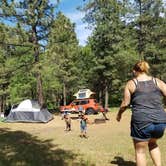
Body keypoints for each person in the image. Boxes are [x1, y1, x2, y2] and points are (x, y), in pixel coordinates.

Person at [116, 61, 166, 166]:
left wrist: (119, 114)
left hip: (141, 122)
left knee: (140, 151)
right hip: (160, 121)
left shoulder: (131, 83)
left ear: (135, 71)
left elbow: (125, 103)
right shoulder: (158, 81)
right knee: (153, 144)